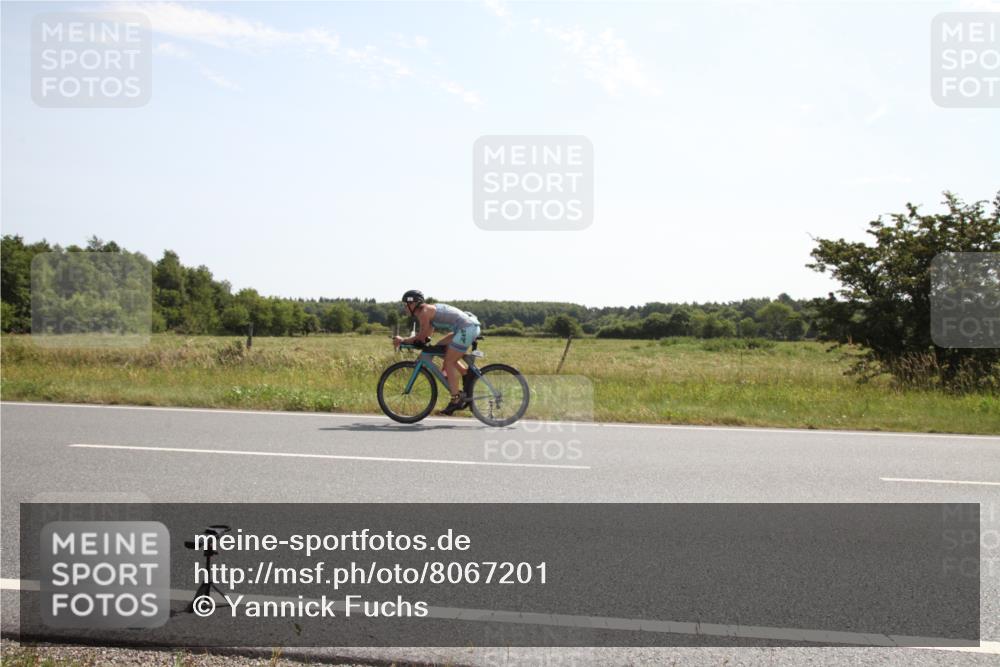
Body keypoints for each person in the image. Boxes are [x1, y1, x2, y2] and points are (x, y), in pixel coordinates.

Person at [393, 290, 480, 415]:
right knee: (440, 347)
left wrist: (403, 340)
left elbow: (421, 336)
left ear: (414, 304)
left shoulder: (424, 312)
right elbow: (426, 335)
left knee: (449, 361)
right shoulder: (426, 312)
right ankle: (465, 373)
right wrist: (414, 341)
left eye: (406, 304)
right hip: (466, 327)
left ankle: (456, 399)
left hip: (466, 329)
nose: (405, 307)